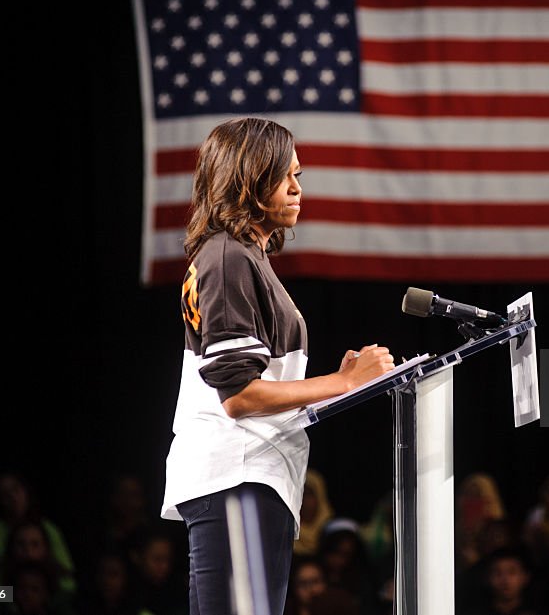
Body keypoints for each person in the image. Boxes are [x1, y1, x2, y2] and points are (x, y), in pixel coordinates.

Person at [159, 118, 395, 615]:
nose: (297, 189)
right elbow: (240, 396)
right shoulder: (228, 258)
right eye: (283, 175)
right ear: (247, 179)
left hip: (245, 478)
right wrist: (341, 381)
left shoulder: (242, 256)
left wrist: (335, 385)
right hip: (238, 477)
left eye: (298, 175)